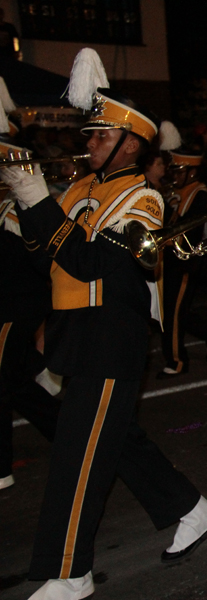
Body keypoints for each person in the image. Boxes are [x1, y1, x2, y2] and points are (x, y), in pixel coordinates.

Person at [0, 49, 207, 600]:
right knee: (117, 440)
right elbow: (44, 259)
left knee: (76, 458)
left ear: (130, 142)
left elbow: (92, 262)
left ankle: (69, 573)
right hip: (77, 336)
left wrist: (35, 199)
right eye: (91, 135)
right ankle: (193, 509)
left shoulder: (142, 199)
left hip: (109, 340)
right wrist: (23, 209)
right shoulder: (78, 191)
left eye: (100, 136)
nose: (89, 143)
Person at [0, 101, 60, 492]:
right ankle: (66, 428)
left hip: (15, 304)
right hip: (12, 301)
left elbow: (38, 259)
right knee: (16, 381)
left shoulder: (21, 201)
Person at [157, 149, 207, 378]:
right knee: (174, 310)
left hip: (185, 260)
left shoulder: (198, 192)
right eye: (174, 170)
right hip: (166, 258)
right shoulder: (172, 191)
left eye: (180, 170)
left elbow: (189, 227)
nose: (175, 175)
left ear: (192, 171)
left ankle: (177, 361)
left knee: (173, 312)